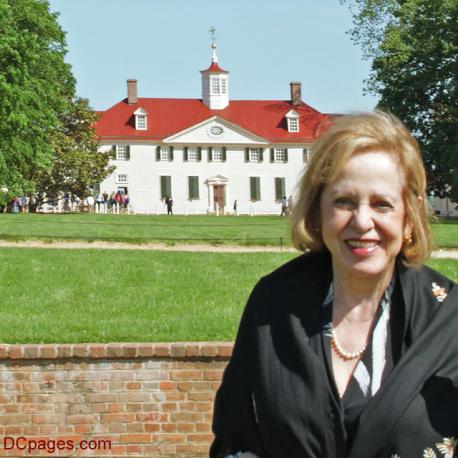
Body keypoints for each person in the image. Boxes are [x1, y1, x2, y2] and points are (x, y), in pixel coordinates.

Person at [211, 111, 458, 458]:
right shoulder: (274, 304)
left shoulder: (448, 319)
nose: (361, 221)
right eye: (343, 201)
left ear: (409, 217)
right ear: (317, 211)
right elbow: (233, 438)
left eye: (382, 204)